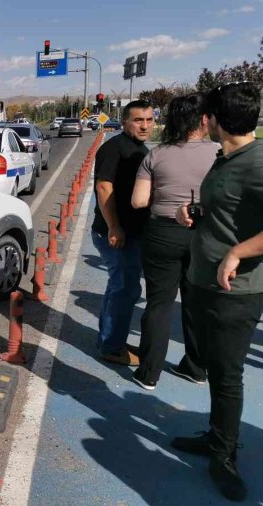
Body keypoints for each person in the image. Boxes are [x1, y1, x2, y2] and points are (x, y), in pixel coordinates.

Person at [170, 82, 263, 502]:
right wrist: (194, 211)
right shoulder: (225, 157)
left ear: (218, 120)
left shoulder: (258, 162)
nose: (203, 122)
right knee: (211, 365)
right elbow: (229, 207)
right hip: (202, 281)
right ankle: (214, 435)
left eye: (207, 116)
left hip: (235, 291)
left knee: (227, 375)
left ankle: (223, 456)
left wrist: (237, 253)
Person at [129, 94, 218, 390]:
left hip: (163, 234)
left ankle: (149, 372)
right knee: (196, 303)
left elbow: (139, 201)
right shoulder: (219, 153)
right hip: (205, 235)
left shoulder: (156, 155)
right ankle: (195, 367)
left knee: (159, 303)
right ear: (203, 120)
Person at [91, 99, 154, 365]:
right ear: (125, 121)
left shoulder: (141, 148)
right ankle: (111, 346)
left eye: (149, 120)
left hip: (132, 231)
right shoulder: (114, 148)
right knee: (126, 288)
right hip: (116, 232)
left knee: (119, 287)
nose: (145, 125)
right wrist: (114, 227)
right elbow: (104, 188)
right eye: (138, 120)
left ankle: (110, 339)